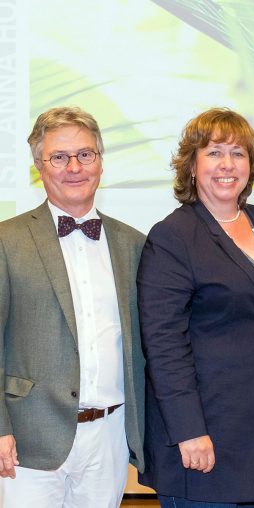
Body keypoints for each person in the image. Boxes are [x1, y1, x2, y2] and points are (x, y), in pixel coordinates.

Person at [137, 108, 254, 507]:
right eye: (214, 152)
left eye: (238, 154)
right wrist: (189, 431)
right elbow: (164, 345)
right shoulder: (172, 237)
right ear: (191, 166)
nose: (227, 165)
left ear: (251, 167)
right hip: (205, 439)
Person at [0, 106, 146, 507]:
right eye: (59, 157)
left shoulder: (133, 243)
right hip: (30, 438)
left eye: (85, 154)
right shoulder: (6, 241)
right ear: (38, 166)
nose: (74, 167)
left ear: (100, 162)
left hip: (111, 436)